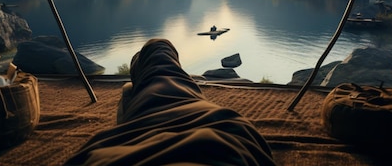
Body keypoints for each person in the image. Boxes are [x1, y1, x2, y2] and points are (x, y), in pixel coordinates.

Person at [65, 38, 276, 166]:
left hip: (218, 132)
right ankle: (150, 68)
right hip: (223, 135)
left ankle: (145, 69)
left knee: (158, 54)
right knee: (161, 58)